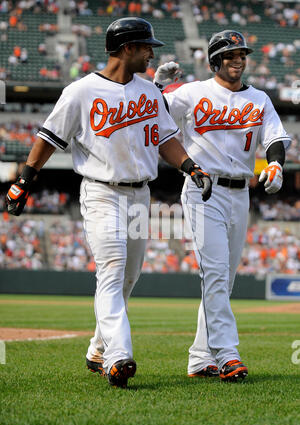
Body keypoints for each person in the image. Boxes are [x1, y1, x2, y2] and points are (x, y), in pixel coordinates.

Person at [5, 17, 212, 389]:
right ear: (127, 48)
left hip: (140, 195)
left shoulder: (149, 92)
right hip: (101, 191)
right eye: (147, 46)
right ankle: (119, 356)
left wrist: (190, 166)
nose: (152, 52)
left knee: (129, 277)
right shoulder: (81, 91)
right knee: (113, 271)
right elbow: (48, 137)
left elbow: (166, 138)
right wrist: (25, 181)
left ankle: (98, 348)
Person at [154, 30, 291, 381]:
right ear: (215, 60)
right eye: (230, 55)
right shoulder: (192, 92)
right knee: (214, 273)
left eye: (241, 54)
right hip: (203, 188)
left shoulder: (259, 98)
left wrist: (274, 163)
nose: (238, 60)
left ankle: (200, 358)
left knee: (223, 281)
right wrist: (154, 88)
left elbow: (275, 137)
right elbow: (150, 116)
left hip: (240, 192)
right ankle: (227, 353)